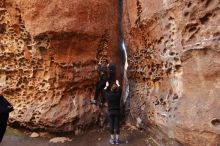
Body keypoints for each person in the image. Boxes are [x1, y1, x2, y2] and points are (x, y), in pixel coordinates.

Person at [103, 80, 122, 145]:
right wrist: (118, 84)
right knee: (117, 126)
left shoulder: (108, 95)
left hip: (111, 112)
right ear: (116, 89)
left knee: (111, 125)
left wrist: (106, 85)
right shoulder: (118, 95)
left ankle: (112, 140)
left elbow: (104, 91)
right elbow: (120, 89)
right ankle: (117, 140)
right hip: (117, 111)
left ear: (111, 89)